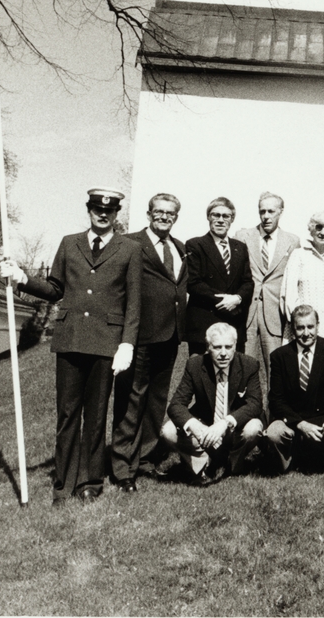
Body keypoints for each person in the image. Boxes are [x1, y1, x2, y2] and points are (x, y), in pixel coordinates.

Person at [0, 188, 141, 504]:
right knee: (67, 416)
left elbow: (134, 302)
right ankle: (63, 485)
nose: (102, 215)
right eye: (96, 209)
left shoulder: (130, 249)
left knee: (95, 416)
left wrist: (127, 344)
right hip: (70, 340)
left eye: (108, 211)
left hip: (106, 344)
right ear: (88, 210)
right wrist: (22, 278)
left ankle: (89, 482)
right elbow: (54, 289)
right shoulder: (68, 243)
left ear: (116, 213)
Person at [111, 193, 188, 492]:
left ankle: (143, 458)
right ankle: (121, 468)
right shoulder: (129, 243)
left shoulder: (179, 248)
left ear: (176, 217)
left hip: (169, 337)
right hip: (139, 336)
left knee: (155, 403)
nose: (164, 217)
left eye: (170, 213)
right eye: (159, 212)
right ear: (148, 214)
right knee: (131, 401)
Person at [162, 322, 264, 485]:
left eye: (228, 347)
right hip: (205, 428)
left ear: (235, 346)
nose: (223, 353)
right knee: (168, 431)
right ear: (208, 347)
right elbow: (176, 405)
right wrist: (195, 425)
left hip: (233, 429)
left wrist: (225, 423)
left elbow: (255, 403)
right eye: (217, 347)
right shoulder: (195, 365)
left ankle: (233, 463)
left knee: (254, 428)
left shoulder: (249, 364)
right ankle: (202, 462)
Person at [264, 305, 324, 473]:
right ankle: (289, 463)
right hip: (294, 422)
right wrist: (300, 424)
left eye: (310, 327)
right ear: (293, 329)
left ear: (317, 326)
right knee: (274, 432)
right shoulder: (280, 356)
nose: (306, 333)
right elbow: (276, 400)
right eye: (300, 328)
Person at [233, 192, 299, 386]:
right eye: (262, 211)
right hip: (247, 314)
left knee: (276, 369)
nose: (266, 216)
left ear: (281, 212)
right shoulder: (243, 236)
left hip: (275, 315)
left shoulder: (293, 241)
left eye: (271, 211)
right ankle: (243, 414)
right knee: (243, 368)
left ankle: (274, 415)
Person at [185, 197, 253, 354]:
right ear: (208, 217)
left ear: (232, 219)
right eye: (216, 215)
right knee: (202, 374)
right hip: (205, 321)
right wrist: (224, 301)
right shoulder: (195, 245)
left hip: (234, 322)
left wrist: (237, 299)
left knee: (234, 374)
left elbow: (248, 282)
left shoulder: (240, 248)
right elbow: (194, 283)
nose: (220, 220)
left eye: (225, 216)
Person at [281, 210, 324, 343]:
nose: (323, 232)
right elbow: (288, 292)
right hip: (302, 324)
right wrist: (297, 321)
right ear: (311, 230)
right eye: (318, 227)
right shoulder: (298, 255)